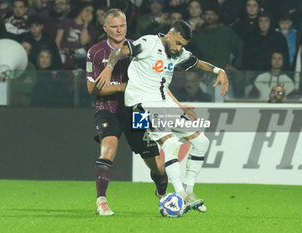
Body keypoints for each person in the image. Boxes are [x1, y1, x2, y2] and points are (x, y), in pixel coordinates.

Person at [96, 20, 228, 213]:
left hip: (164, 104)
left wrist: (218, 70)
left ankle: (189, 192)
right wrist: (108, 68)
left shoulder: (178, 53)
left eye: (183, 45)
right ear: (169, 34)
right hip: (140, 105)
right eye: (177, 43)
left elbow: (197, 63)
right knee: (171, 144)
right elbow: (119, 51)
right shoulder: (149, 43)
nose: (179, 48)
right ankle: (180, 195)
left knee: (202, 142)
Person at [85, 8, 168, 216]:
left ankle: (163, 195)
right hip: (108, 109)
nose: (119, 30)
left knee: (156, 164)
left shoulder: (138, 47)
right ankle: (101, 201)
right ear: (105, 28)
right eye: (114, 26)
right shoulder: (95, 52)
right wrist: (122, 87)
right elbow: (92, 89)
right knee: (108, 148)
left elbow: (155, 80)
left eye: (122, 25)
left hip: (138, 111)